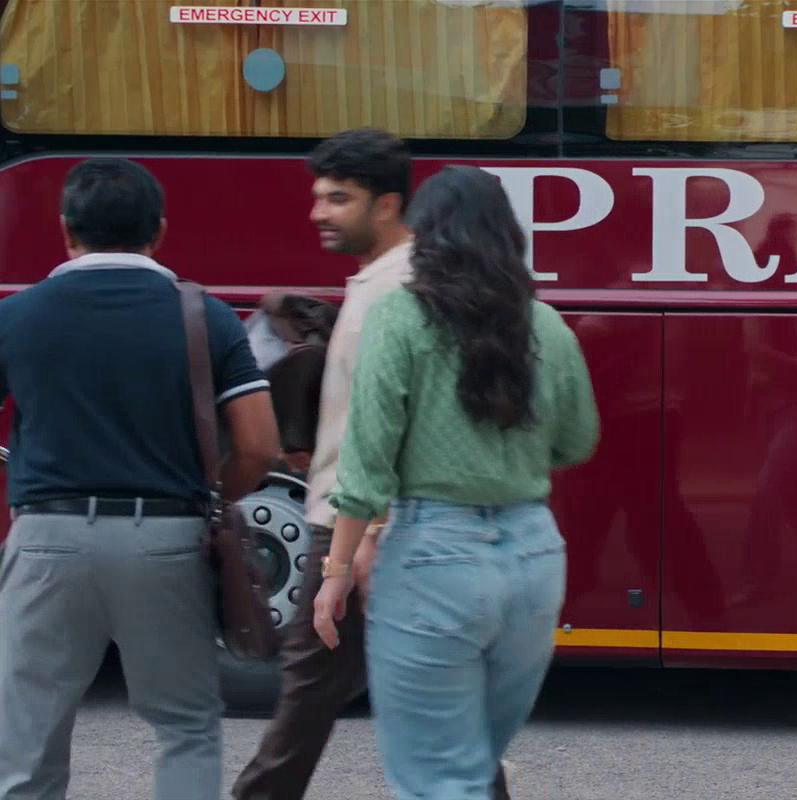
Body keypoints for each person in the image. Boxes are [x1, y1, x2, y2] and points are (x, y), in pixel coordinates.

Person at [231, 127, 517, 800]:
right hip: (371, 525)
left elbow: (406, 425)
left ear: (387, 205)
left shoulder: (399, 291)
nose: (318, 213)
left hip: (364, 527)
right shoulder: (386, 283)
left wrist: (369, 536)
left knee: (316, 693)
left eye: (338, 199)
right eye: (319, 197)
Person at [311, 164, 601, 798]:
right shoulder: (545, 324)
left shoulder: (398, 316)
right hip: (533, 557)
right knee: (473, 766)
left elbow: (365, 464)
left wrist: (336, 573)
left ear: (425, 233)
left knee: (437, 778)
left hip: (432, 556)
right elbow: (577, 440)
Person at [0, 157, 280, 799]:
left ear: (66, 229)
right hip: (165, 542)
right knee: (186, 726)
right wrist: (216, 495)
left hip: (46, 541)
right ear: (158, 231)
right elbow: (259, 445)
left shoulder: (18, 316)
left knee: (28, 739)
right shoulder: (205, 316)